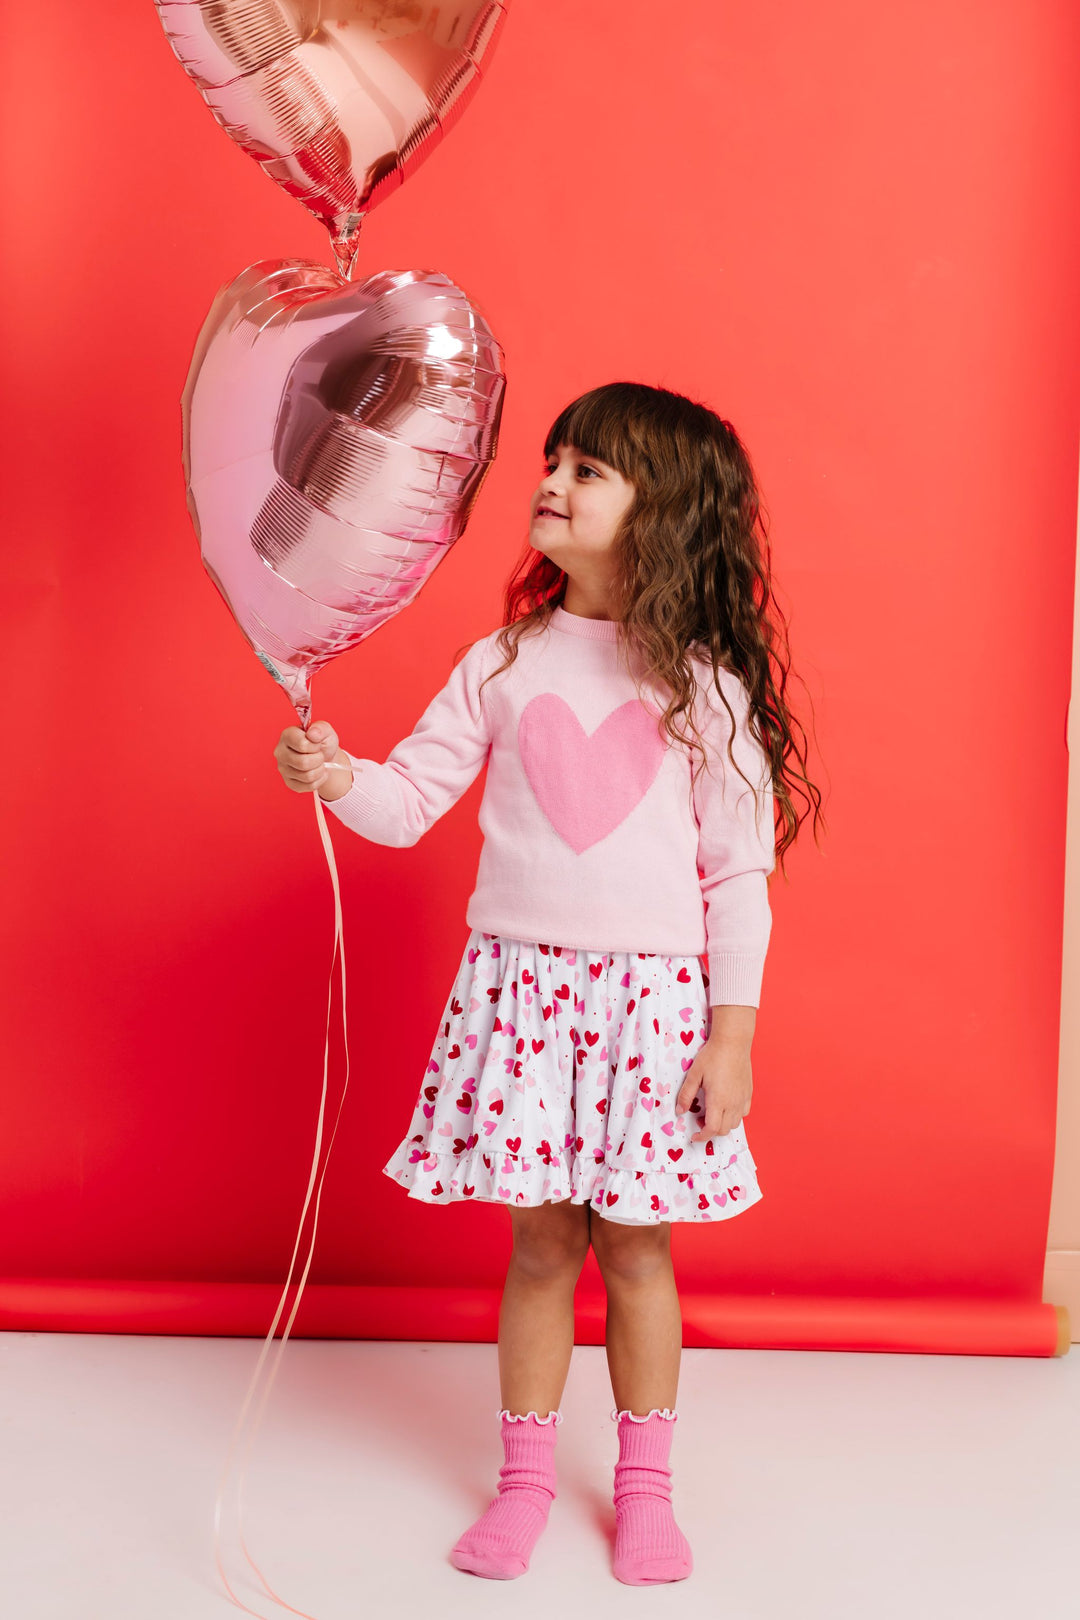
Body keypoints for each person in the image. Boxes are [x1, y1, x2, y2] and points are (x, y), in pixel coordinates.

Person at [274, 381, 822, 1585]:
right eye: (554, 459)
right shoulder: (504, 660)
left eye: (590, 470)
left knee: (635, 1250)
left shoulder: (702, 683)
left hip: (651, 1012)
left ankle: (647, 1493)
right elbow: (410, 800)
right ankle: (523, 1483)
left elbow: (739, 877)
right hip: (523, 1001)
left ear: (662, 510)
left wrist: (731, 1040)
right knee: (538, 1247)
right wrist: (335, 773)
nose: (553, 482)